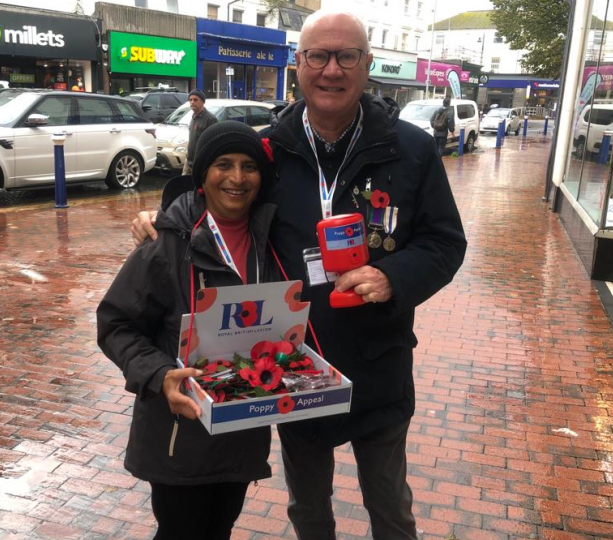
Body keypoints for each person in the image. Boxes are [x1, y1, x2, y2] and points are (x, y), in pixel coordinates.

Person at [131, 10, 467, 540]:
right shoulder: (272, 148)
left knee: (392, 512)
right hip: (293, 370)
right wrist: (163, 213)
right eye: (318, 56)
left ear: (367, 64)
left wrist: (393, 278)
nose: (331, 70)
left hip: (379, 365)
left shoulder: (411, 149)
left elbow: (445, 243)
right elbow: (217, 195)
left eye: (346, 56)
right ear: (298, 64)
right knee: (309, 512)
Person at [97, 121, 280, 540]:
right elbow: (116, 324)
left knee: (219, 530)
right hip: (179, 432)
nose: (237, 178)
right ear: (202, 175)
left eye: (249, 166)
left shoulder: (271, 241)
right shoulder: (166, 243)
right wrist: (159, 375)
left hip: (241, 428)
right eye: (223, 164)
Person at [184, 89, 218, 176]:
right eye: (190, 100)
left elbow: (213, 142)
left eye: (195, 100)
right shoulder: (193, 117)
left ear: (202, 102)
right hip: (189, 161)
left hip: (200, 162)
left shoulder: (210, 119)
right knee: (184, 185)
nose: (192, 102)